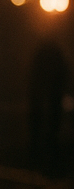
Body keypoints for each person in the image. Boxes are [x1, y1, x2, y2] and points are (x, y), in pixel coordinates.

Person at [28, 40, 67, 174]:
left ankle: (45, 156)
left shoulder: (49, 54)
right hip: (45, 96)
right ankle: (43, 155)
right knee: (44, 126)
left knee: (49, 127)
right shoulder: (50, 54)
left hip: (49, 96)